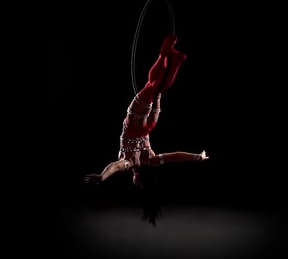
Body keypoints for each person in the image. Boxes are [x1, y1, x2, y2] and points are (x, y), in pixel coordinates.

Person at [84, 32, 209, 188]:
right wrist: (102, 177)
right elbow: (115, 166)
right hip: (139, 121)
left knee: (156, 86)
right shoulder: (131, 163)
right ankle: (167, 52)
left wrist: (197, 157)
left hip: (146, 122)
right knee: (154, 85)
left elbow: (174, 156)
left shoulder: (151, 161)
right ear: (137, 179)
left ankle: (172, 57)